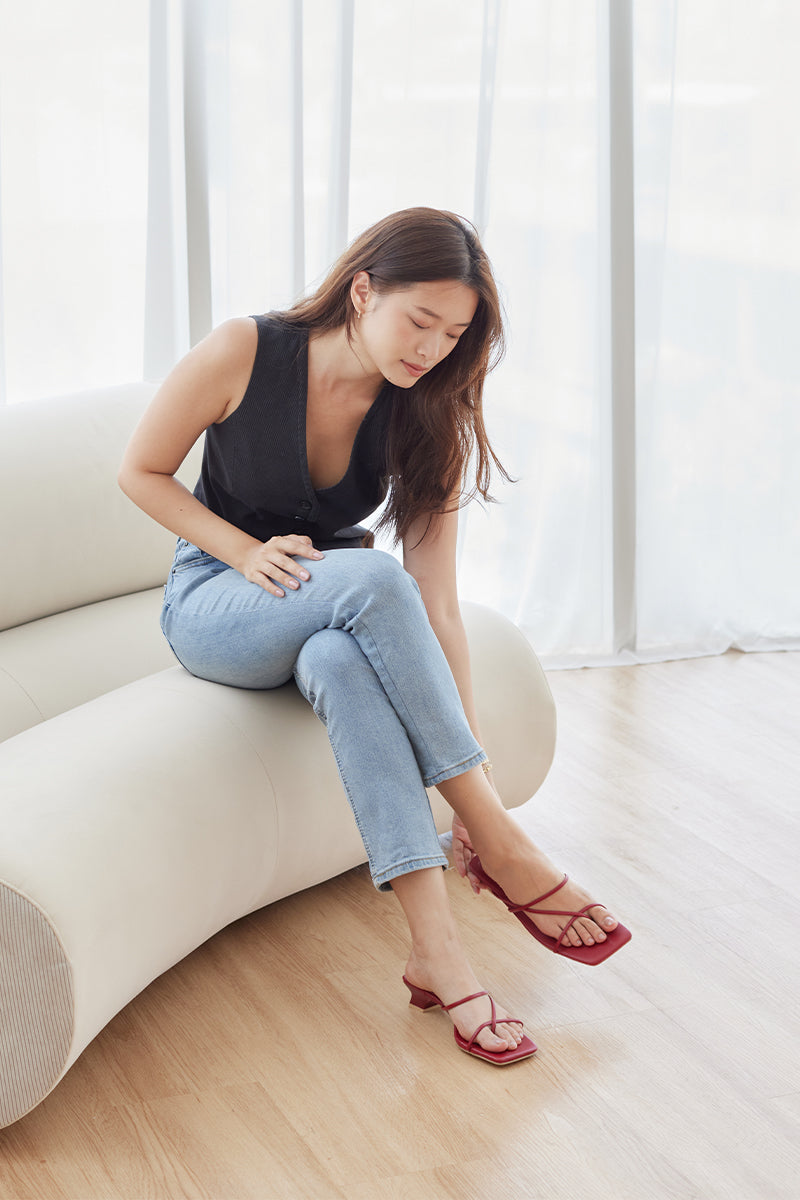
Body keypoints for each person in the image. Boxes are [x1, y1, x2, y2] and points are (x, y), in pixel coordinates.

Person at [118, 207, 629, 1067]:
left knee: (342, 661)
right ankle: (500, 840)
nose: (431, 349)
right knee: (371, 580)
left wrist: (474, 754)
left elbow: (438, 607)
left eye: (454, 333)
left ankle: (440, 956)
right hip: (216, 602)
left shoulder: (428, 410)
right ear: (362, 290)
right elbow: (140, 469)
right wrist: (242, 552)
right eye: (419, 320)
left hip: (335, 610)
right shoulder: (245, 349)